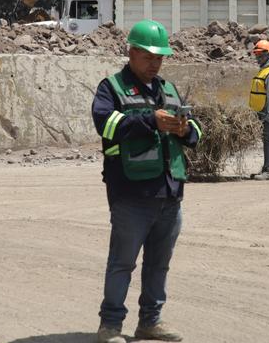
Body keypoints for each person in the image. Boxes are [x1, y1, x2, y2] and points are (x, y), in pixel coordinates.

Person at [91, 19, 203, 343]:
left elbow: (196, 132)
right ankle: (110, 326)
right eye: (148, 57)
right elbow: (106, 125)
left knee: (159, 265)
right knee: (122, 264)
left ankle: (150, 322)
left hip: (169, 193)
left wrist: (185, 130)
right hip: (132, 193)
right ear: (132, 52)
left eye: (159, 58)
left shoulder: (167, 89)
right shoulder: (111, 88)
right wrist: (150, 121)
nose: (155, 64)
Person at [249, 39, 269, 181]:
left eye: (260, 55)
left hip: (268, 113)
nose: (257, 58)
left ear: (268, 54)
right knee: (266, 140)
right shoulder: (264, 70)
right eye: (256, 55)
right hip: (261, 112)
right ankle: (265, 168)